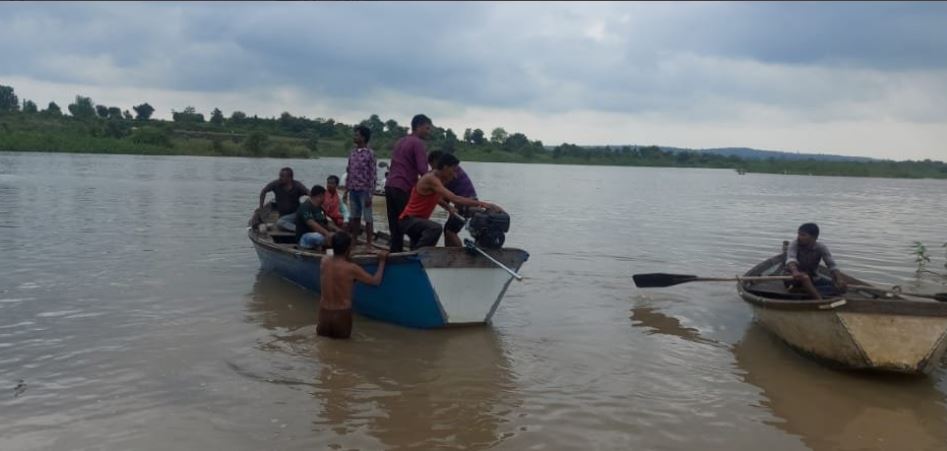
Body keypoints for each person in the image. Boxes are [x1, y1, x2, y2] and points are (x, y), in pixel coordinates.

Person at [399, 153, 501, 250]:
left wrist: (448, 207)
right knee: (435, 228)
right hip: (409, 220)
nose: (455, 174)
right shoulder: (431, 179)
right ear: (445, 167)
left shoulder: (438, 179)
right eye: (454, 170)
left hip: (418, 222)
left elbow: (437, 198)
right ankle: (418, 258)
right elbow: (455, 198)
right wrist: (484, 204)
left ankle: (416, 259)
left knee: (420, 243)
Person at [317, 232, 388, 339]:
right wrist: (382, 261)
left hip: (324, 314)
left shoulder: (324, 261)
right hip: (341, 315)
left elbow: (333, 256)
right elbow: (375, 281)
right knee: (343, 350)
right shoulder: (351, 268)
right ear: (348, 249)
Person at [385, 114, 433, 252]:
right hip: (403, 187)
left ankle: (395, 254)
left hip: (390, 186)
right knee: (412, 224)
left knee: (395, 226)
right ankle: (414, 254)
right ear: (418, 126)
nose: (428, 132)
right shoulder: (418, 143)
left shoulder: (401, 141)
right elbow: (423, 170)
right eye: (427, 128)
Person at [426, 151, 479, 247]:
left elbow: (441, 194)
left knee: (450, 231)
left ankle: (459, 254)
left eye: (432, 165)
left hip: (466, 204)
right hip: (468, 201)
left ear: (437, 161)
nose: (432, 168)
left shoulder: (450, 171)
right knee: (448, 230)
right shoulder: (451, 169)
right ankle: (449, 253)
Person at [785, 223, 846, 300]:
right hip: (792, 277)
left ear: (814, 237)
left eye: (803, 235)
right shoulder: (794, 244)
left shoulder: (821, 247)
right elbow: (791, 259)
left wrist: (839, 279)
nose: (799, 237)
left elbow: (832, 265)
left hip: (813, 278)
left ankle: (805, 290)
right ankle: (820, 300)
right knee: (804, 277)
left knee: (841, 288)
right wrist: (795, 271)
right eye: (799, 234)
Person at [345, 125, 377, 244]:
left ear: (363, 138)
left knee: (368, 218)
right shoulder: (352, 153)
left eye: (357, 135)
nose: (355, 137)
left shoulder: (370, 153)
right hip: (353, 189)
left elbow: (373, 175)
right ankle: (354, 240)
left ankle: (369, 243)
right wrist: (346, 191)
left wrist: (370, 194)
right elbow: (349, 171)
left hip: (365, 191)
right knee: (355, 217)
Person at [259, 167, 308, 232]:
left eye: (282, 176)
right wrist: (261, 206)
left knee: (280, 223)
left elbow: (311, 195)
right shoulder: (276, 184)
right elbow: (263, 191)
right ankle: (298, 227)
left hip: (296, 214)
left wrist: (308, 206)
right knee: (281, 224)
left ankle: (300, 230)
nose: (280, 178)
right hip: (283, 216)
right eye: (280, 176)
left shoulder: (297, 186)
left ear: (289, 178)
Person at [295, 185, 341, 250]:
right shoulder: (305, 207)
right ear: (320, 196)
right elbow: (311, 223)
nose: (325, 199)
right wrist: (327, 233)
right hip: (305, 237)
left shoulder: (320, 209)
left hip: (319, 234)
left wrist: (338, 230)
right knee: (319, 237)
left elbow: (326, 223)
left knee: (337, 237)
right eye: (324, 196)